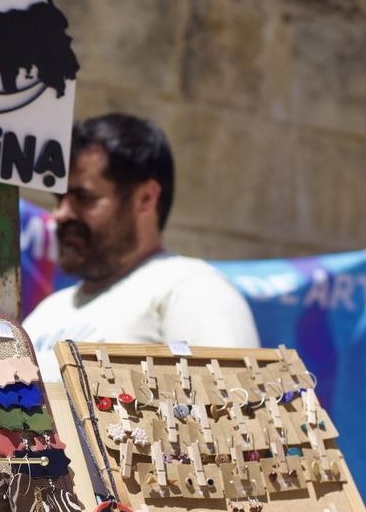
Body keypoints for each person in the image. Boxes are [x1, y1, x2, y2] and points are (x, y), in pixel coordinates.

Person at [23, 113, 258, 362]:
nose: (60, 214)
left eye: (84, 198)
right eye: (59, 199)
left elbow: (233, 398)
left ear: (145, 198)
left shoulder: (191, 289)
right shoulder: (48, 312)